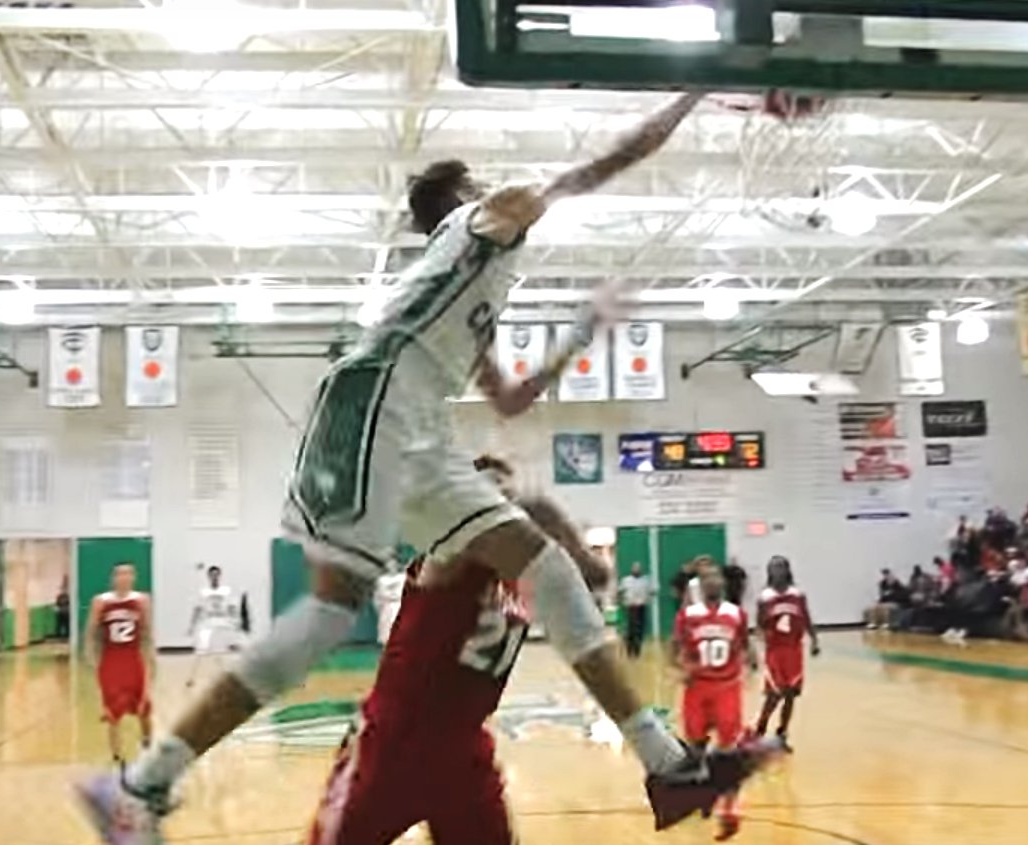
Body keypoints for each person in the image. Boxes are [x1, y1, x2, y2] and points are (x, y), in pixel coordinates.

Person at [78, 91, 775, 845]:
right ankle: (138, 784)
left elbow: (510, 398)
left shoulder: (467, 290)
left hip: (421, 426)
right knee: (327, 614)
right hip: (376, 397)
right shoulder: (480, 221)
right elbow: (602, 162)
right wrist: (699, 92)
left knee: (546, 567)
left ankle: (667, 764)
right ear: (467, 196)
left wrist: (582, 332)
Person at [307, 456, 607, 845]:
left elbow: (596, 576)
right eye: (489, 491)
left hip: (463, 750)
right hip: (391, 747)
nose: (501, 500)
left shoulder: (524, 572)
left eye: (504, 492)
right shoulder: (446, 555)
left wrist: (548, 520)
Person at [671, 558, 755, 841]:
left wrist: (752, 662)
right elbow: (675, 647)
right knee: (695, 749)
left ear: (723, 583)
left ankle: (730, 808)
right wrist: (681, 667)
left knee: (728, 750)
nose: (713, 582)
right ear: (700, 585)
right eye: (707, 579)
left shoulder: (736, 614)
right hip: (697, 688)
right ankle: (702, 795)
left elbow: (745, 644)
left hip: (727, 687)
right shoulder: (688, 615)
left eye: (717, 578)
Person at [85, 563, 154, 763]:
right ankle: (116, 754)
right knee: (113, 709)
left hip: (133, 658)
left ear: (134, 577)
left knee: (143, 707)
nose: (124, 577)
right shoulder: (100, 601)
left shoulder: (142, 600)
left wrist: (150, 658)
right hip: (111, 659)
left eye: (128, 573)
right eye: (119, 574)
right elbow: (91, 630)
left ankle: (147, 743)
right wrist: (91, 655)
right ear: (113, 578)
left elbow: (147, 632)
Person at [753, 556, 820, 750]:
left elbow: (806, 618)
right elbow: (759, 625)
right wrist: (761, 639)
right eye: (773, 568)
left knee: (790, 694)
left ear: (788, 570)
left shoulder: (797, 594)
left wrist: (814, 640)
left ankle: (782, 733)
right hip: (775, 651)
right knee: (774, 694)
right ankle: (760, 730)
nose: (778, 571)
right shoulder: (764, 597)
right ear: (769, 572)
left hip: (794, 650)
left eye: (781, 567)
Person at [186, 566, 242, 689]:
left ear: (220, 576)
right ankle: (192, 678)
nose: (214, 577)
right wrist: (191, 625)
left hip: (222, 621)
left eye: (217, 574)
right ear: (209, 576)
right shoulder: (203, 592)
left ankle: (227, 677)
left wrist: (236, 621)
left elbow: (232, 607)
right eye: (212, 575)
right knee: (201, 649)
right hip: (207, 622)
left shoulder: (226, 591)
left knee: (222, 651)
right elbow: (197, 609)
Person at [618, 562, 653, 658]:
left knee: (640, 630)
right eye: (635, 568)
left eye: (638, 568)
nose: (637, 570)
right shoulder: (626, 580)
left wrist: (647, 598)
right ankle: (629, 650)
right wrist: (622, 601)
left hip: (641, 606)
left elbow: (652, 591)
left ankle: (637, 651)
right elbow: (620, 592)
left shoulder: (646, 580)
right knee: (631, 629)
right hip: (631, 607)